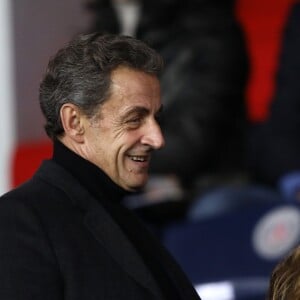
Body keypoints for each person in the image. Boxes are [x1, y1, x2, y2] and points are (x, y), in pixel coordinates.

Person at [0, 33, 201, 300]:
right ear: (74, 122)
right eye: (134, 119)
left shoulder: (125, 216)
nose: (157, 139)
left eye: (156, 118)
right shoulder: (20, 221)